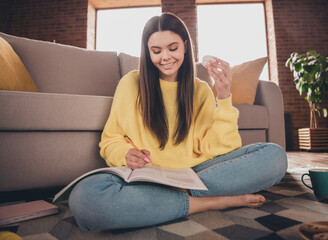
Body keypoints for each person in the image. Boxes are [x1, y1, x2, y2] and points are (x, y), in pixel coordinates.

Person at [68, 12, 287, 231]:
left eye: (173, 48)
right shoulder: (130, 84)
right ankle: (212, 201)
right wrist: (124, 154)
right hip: (147, 175)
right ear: (147, 52)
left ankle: (168, 200)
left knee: (274, 157)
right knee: (84, 199)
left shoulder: (200, 89)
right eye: (156, 51)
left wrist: (223, 98)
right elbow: (110, 140)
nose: (165, 57)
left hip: (197, 173)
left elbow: (221, 148)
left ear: (184, 46)